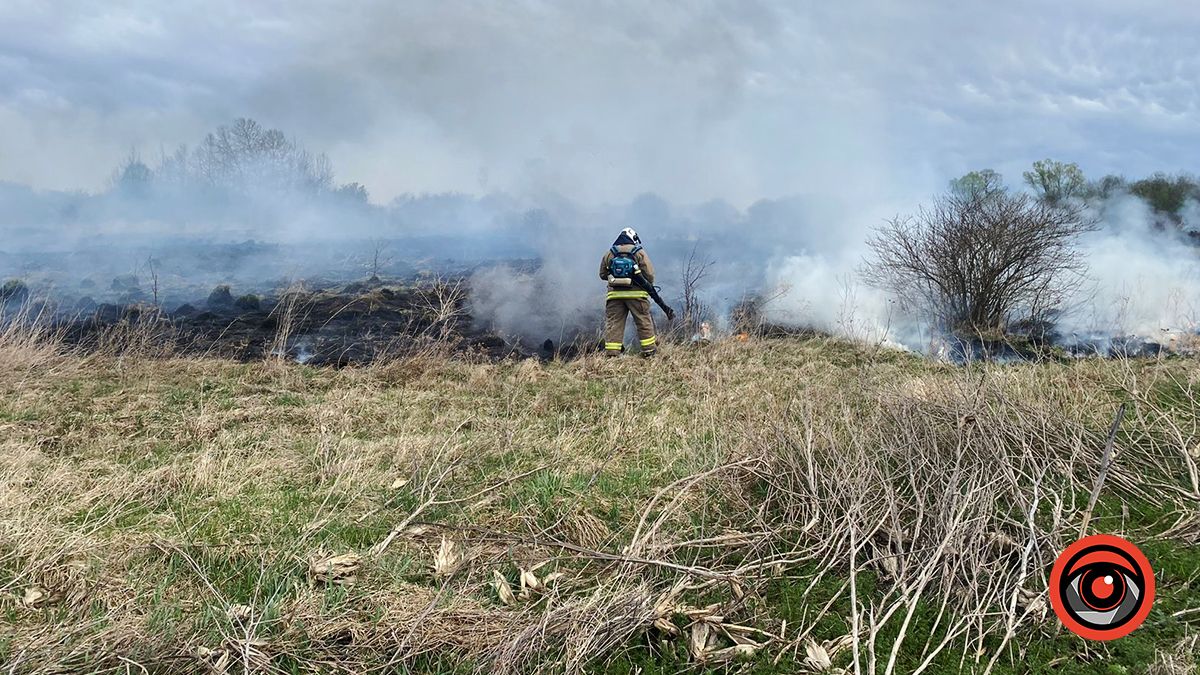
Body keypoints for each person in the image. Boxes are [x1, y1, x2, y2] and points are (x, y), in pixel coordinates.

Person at [599, 228, 657, 357]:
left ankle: (612, 354)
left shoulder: (610, 253)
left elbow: (602, 274)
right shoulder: (639, 252)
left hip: (614, 295)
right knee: (643, 321)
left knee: (614, 323)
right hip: (637, 295)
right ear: (633, 238)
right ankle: (649, 352)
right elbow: (649, 275)